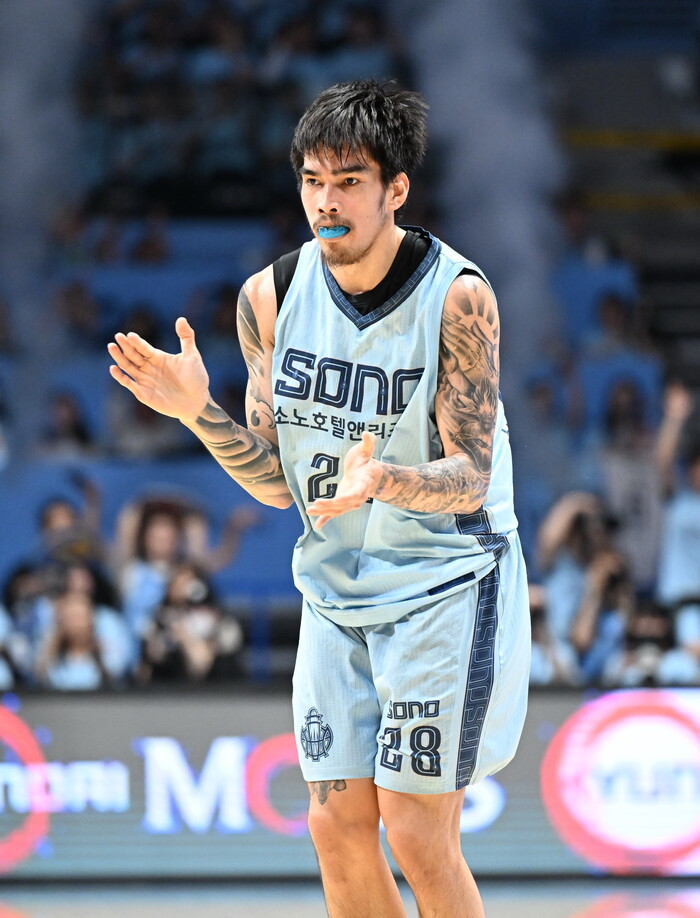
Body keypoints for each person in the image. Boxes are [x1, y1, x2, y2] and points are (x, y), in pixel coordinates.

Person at [108, 79, 530, 918]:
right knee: (335, 826)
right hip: (337, 593)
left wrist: (386, 482)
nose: (325, 202)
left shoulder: (458, 297)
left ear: (395, 189)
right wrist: (197, 413)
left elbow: (472, 476)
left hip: (444, 584)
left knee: (417, 832)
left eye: (348, 181)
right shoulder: (268, 299)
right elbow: (277, 483)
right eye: (311, 181)